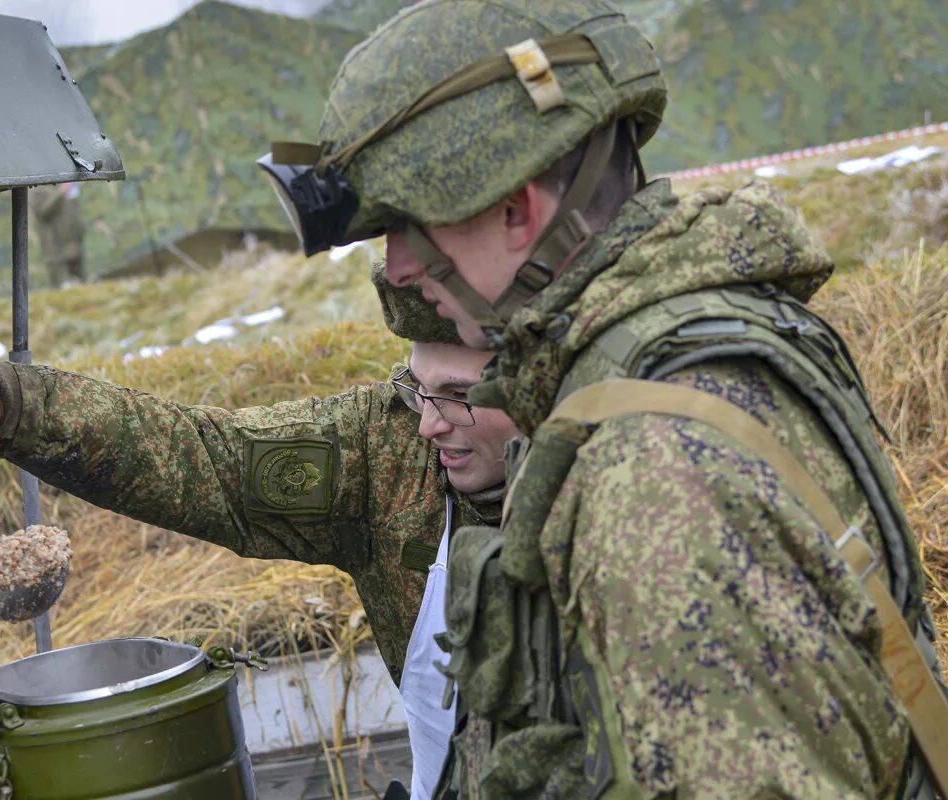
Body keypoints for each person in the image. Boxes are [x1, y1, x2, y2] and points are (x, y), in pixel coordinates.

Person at [256, 1, 946, 798]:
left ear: (517, 210)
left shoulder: (654, 468)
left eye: (408, 225)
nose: (400, 268)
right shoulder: (692, 336)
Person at [0, 267, 518, 800]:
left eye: (460, 396)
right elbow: (200, 457)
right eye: (418, 390)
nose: (431, 425)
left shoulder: (604, 473)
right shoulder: (387, 455)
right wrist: (14, 404)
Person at [29, 182, 85, 287]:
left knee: (81, 286)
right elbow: (42, 212)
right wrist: (61, 192)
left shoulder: (66, 183)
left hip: (73, 245)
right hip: (55, 250)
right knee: (62, 288)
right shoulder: (38, 189)